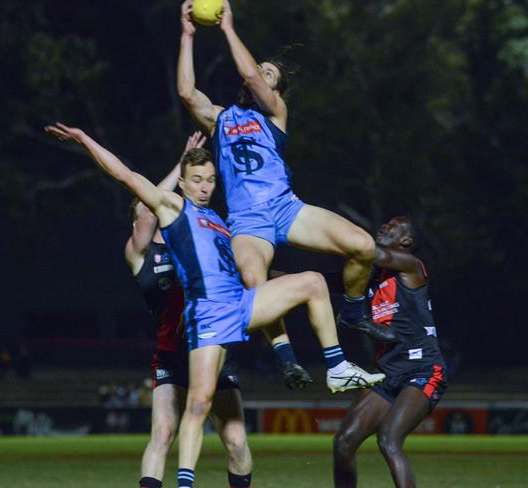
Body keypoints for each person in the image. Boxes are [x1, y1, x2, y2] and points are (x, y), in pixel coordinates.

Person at [44, 122, 384, 488]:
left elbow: (250, 270)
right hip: (207, 315)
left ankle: (335, 366)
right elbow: (126, 176)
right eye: (197, 179)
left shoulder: (221, 222)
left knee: (312, 282)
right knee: (196, 408)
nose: (205, 186)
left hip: (237, 305)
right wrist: (84, 140)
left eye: (210, 180)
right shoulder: (172, 211)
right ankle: (186, 483)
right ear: (184, 183)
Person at [176, 0, 396, 344]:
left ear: (275, 90)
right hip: (247, 220)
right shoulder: (222, 119)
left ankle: (353, 312)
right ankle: (283, 355)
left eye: (269, 74)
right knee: (253, 281)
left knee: (363, 246)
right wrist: (188, 35)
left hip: (286, 208)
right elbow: (187, 93)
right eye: (260, 70)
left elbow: (248, 74)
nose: (259, 74)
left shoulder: (276, 113)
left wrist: (228, 29)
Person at [126, 132, 252, 488]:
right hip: (171, 353)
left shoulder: (203, 230)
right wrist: (180, 168)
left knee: (237, 440)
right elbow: (149, 201)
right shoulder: (140, 255)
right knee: (163, 434)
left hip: (213, 343)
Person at [333, 217, 447, 488]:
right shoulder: (370, 278)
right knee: (344, 442)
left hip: (423, 369)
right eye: (384, 223)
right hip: (387, 372)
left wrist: (327, 233)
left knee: (388, 438)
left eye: (393, 226)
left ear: (406, 241)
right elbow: (319, 281)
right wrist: (268, 271)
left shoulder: (411, 266)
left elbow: (373, 252)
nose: (384, 226)